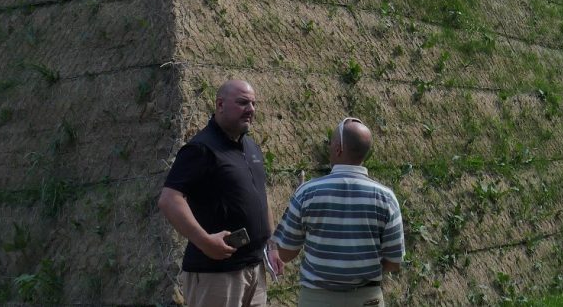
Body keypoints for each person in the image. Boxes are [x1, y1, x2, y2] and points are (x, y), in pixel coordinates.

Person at [158, 79, 284, 307]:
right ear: (220, 104)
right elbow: (169, 200)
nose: (251, 109)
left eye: (254, 104)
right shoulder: (201, 149)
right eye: (243, 102)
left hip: (255, 269)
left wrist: (271, 245)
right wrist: (204, 241)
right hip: (216, 275)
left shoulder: (251, 147)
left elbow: (261, 199)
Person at [270, 117, 405, 307]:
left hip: (317, 300)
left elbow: (285, 252)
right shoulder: (386, 197)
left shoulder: (307, 192)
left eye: (330, 143)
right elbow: (394, 262)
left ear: (338, 148)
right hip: (367, 299)